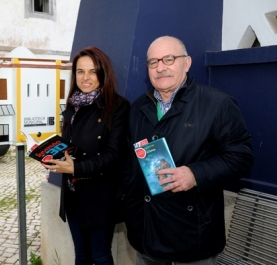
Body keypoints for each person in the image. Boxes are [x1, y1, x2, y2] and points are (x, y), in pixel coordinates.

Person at [122, 36, 254, 265]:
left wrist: (195, 174)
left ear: (187, 62)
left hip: (192, 239)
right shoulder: (137, 108)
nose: (160, 67)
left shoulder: (217, 104)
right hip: (145, 236)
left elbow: (241, 158)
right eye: (153, 62)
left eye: (169, 59)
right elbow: (128, 165)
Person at [43, 46, 130, 265]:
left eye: (92, 71)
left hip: (100, 195)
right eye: (80, 71)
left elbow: (113, 156)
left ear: (103, 73)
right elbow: (71, 148)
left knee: (100, 256)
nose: (86, 77)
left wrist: (75, 168)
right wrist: (51, 156)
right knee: (80, 255)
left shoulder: (117, 107)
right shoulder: (74, 104)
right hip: (73, 194)